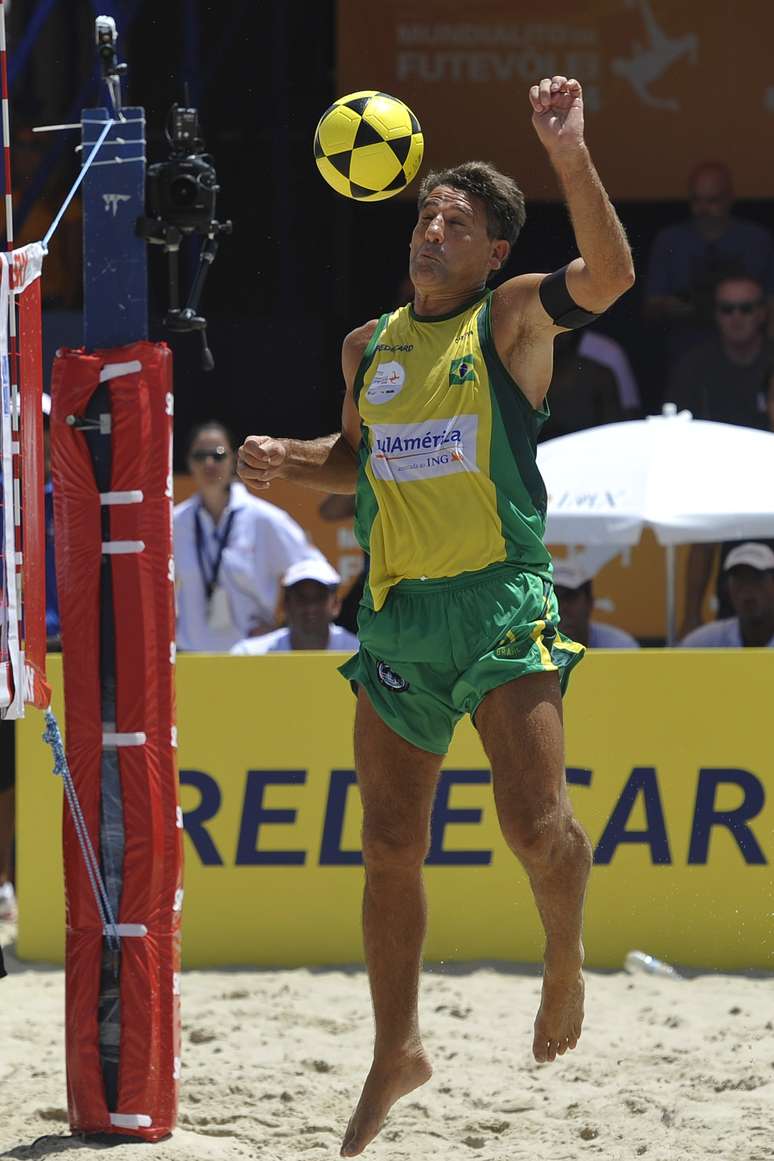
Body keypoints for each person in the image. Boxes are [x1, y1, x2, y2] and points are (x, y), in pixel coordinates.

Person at [238, 75, 634, 1157]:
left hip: (500, 599)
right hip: (402, 615)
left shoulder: (508, 321)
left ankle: (563, 961)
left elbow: (611, 275)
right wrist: (289, 463)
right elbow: (357, 466)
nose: (433, 228)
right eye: (425, 214)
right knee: (388, 844)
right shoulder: (371, 348)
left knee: (534, 827)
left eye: (457, 222)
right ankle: (396, 1048)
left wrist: (566, 153)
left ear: (494, 251)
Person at [174, 421, 323, 652]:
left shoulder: (263, 518)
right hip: (192, 659)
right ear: (188, 462)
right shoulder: (175, 522)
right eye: (200, 456)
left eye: (218, 454)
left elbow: (314, 570)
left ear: (233, 459)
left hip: (253, 658)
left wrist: (284, 628)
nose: (209, 463)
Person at [644, 161, 774, 367]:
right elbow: (651, 305)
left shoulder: (756, 240)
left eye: (712, 201)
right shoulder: (670, 241)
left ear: (729, 198)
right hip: (687, 353)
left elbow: (770, 301)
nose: (704, 209)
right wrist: (688, 304)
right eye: (697, 200)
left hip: (749, 356)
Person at [668, 275, 772, 430]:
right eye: (727, 309)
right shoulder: (693, 367)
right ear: (716, 314)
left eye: (746, 308)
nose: (736, 317)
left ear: (762, 313)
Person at [231, 558, 358, 654]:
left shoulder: (360, 656)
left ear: (336, 605)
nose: (310, 607)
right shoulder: (248, 654)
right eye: (301, 598)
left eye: (319, 598)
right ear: (286, 604)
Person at [678, 543, 774, 647]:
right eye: (739, 579)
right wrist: (691, 618)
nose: (747, 588)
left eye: (756, 577)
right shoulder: (704, 642)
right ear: (728, 588)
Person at [552, 561, 639, 648]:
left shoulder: (620, 648)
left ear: (589, 602)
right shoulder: (538, 648)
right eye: (552, 598)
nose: (561, 608)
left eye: (569, 597)